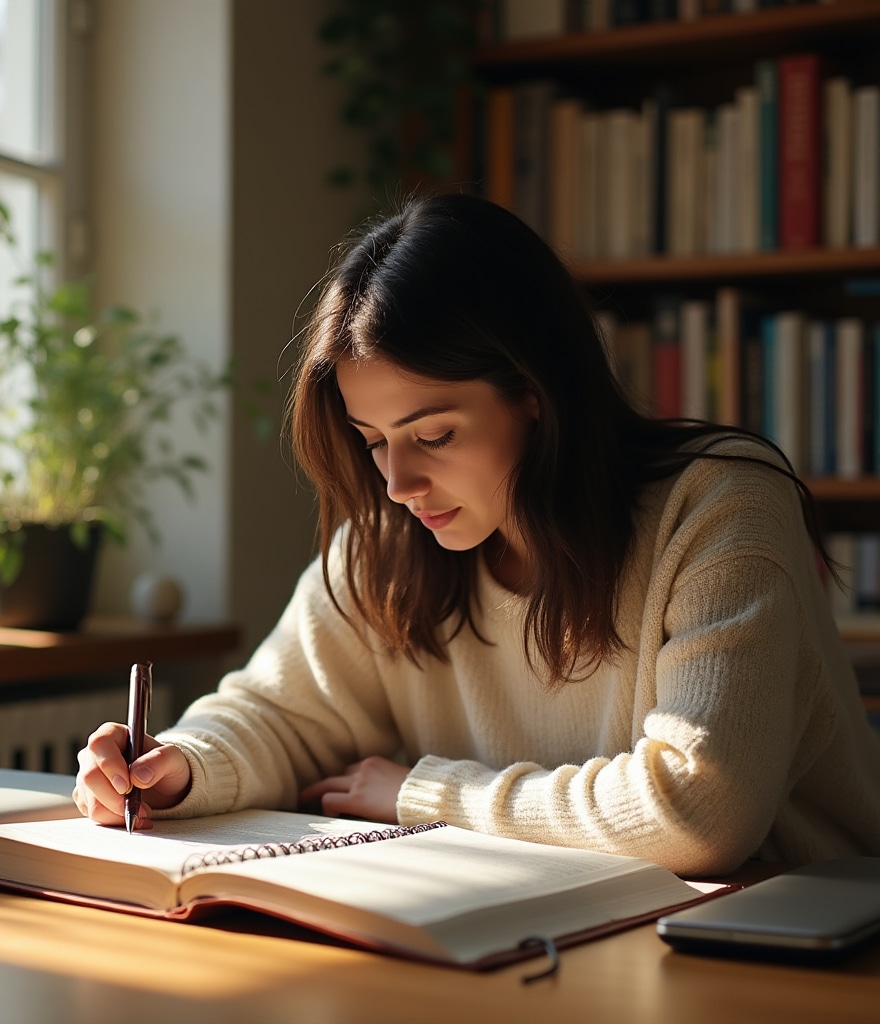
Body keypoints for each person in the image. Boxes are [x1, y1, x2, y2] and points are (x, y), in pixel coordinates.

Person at [75, 192, 880, 877]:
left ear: (535, 393)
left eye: (435, 435)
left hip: (791, 949)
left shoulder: (718, 508)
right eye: (373, 439)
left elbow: (699, 810)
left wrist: (421, 796)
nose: (397, 483)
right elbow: (280, 715)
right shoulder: (385, 543)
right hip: (554, 929)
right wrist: (177, 765)